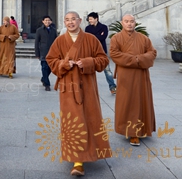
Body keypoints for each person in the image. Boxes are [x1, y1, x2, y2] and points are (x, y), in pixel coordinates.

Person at [45, 11, 111, 176]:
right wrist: (64, 64)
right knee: (73, 122)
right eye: (67, 20)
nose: (70, 22)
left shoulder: (91, 39)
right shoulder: (60, 41)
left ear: (80, 21)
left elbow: (103, 60)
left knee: (90, 119)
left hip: (88, 87)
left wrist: (88, 62)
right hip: (68, 88)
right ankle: (77, 161)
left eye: (73, 19)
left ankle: (93, 151)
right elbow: (51, 60)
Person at [109, 14, 157, 146]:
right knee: (127, 102)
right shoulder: (116, 38)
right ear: (122, 23)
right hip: (125, 75)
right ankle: (131, 132)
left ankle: (142, 130)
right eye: (126, 21)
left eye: (131, 21)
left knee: (141, 101)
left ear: (135, 23)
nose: (129, 24)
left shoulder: (143, 38)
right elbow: (114, 54)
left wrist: (138, 59)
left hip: (141, 75)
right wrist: (136, 60)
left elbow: (152, 53)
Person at [85, 12, 117, 94]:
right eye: (89, 19)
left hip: (102, 51)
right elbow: (87, 39)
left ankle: (112, 87)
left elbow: (103, 37)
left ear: (96, 19)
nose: (89, 21)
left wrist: (93, 36)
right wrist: (98, 35)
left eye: (91, 19)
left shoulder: (104, 27)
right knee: (89, 70)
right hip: (91, 52)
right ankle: (88, 88)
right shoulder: (87, 28)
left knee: (107, 70)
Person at [34, 15, 57, 91]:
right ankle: (47, 84)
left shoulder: (53, 30)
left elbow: (56, 41)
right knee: (44, 68)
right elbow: (36, 42)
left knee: (51, 68)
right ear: (43, 21)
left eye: (48, 20)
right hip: (43, 52)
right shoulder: (39, 30)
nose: (47, 22)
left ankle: (44, 78)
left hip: (52, 52)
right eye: (46, 20)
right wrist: (37, 53)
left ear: (51, 21)